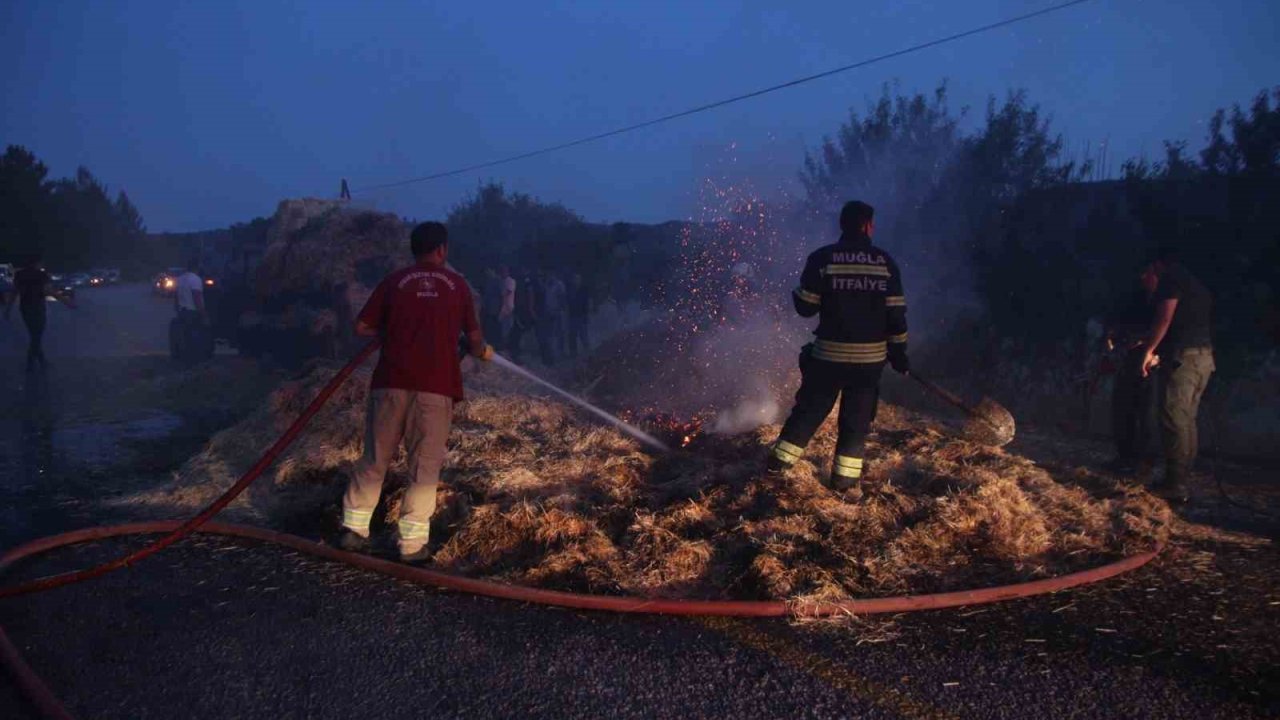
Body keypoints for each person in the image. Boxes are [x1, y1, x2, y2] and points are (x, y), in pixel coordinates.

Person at [339, 221, 492, 562]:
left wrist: (396, 328)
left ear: (413, 249)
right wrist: (480, 350)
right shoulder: (457, 285)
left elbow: (362, 326)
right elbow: (476, 337)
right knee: (423, 465)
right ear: (442, 249)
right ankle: (410, 545)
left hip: (390, 382)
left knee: (375, 457)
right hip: (434, 388)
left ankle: (353, 530)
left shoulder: (395, 282)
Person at [768, 201, 909, 494]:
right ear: (868, 225)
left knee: (809, 412)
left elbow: (806, 307)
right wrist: (898, 354)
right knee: (856, 422)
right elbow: (896, 315)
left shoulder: (823, 258)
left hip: (828, 357)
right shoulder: (885, 262)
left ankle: (776, 469)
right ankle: (843, 483)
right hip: (869, 362)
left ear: (842, 225)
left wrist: (799, 291)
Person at [1138, 246, 1214, 504]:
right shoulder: (1194, 283)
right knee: (1185, 419)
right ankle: (1179, 478)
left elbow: (1165, 317)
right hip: (1202, 358)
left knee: (1173, 418)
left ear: (1157, 266)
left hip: (1183, 359)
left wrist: (1149, 350)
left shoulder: (1172, 280)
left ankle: (1176, 484)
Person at [1103, 281, 1157, 478]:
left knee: (1144, 412)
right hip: (1128, 358)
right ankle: (1125, 457)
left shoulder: (1159, 300)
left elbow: (1159, 330)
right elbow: (1114, 329)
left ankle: (1142, 461)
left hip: (1147, 361)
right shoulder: (1133, 299)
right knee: (1123, 409)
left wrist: (1146, 345)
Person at [5, 256, 58, 371]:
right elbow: (48, 291)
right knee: (36, 335)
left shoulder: (19, 275)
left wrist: (8, 309)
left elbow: (14, 292)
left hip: (25, 307)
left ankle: (39, 361)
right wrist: (66, 301)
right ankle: (34, 362)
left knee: (34, 334)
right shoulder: (41, 275)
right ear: (37, 263)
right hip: (38, 307)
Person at [567, 272, 591, 357]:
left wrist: (586, 316)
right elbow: (568, 303)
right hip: (572, 316)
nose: (576, 281)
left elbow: (587, 304)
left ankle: (587, 352)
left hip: (581, 316)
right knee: (572, 336)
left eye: (578, 279)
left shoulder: (584, 291)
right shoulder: (570, 290)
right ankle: (573, 353)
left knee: (583, 335)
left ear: (580, 280)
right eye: (575, 279)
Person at [545, 271, 568, 357]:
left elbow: (562, 299)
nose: (549, 276)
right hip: (548, 312)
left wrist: (560, 310)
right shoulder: (547, 284)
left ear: (554, 275)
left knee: (560, 332)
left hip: (558, 312)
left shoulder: (559, 285)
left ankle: (561, 352)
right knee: (550, 333)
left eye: (551, 275)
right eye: (548, 275)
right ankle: (551, 351)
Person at [481, 267, 504, 350]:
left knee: (493, 330)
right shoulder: (488, 281)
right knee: (487, 329)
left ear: (492, 270)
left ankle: (494, 348)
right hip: (488, 309)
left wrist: (501, 310)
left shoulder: (498, 281)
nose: (487, 273)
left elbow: (502, 296)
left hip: (494, 310)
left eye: (488, 271)